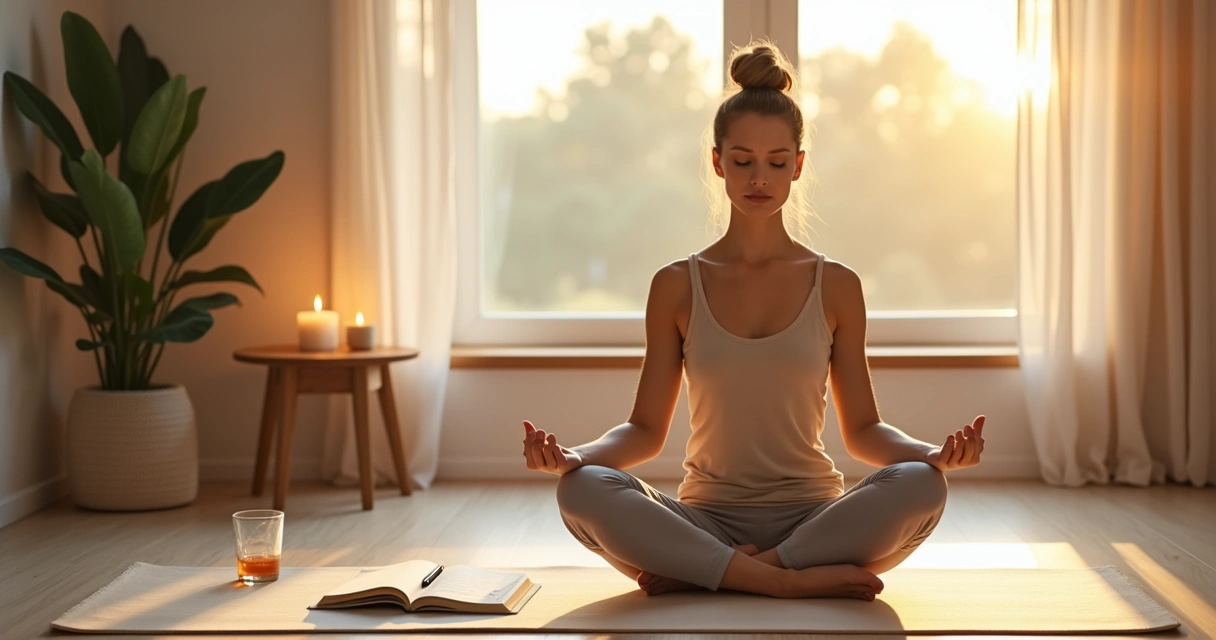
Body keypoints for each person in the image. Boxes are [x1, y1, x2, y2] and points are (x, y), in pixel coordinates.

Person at [519, 41, 986, 602]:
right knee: (581, 491)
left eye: (776, 162)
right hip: (705, 520)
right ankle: (784, 582)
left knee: (921, 485)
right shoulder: (675, 285)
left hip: (816, 521)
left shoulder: (837, 285)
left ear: (798, 164)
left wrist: (932, 454)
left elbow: (864, 431)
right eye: (741, 161)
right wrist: (576, 457)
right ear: (718, 162)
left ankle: (717, 574)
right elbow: (644, 431)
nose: (758, 177)